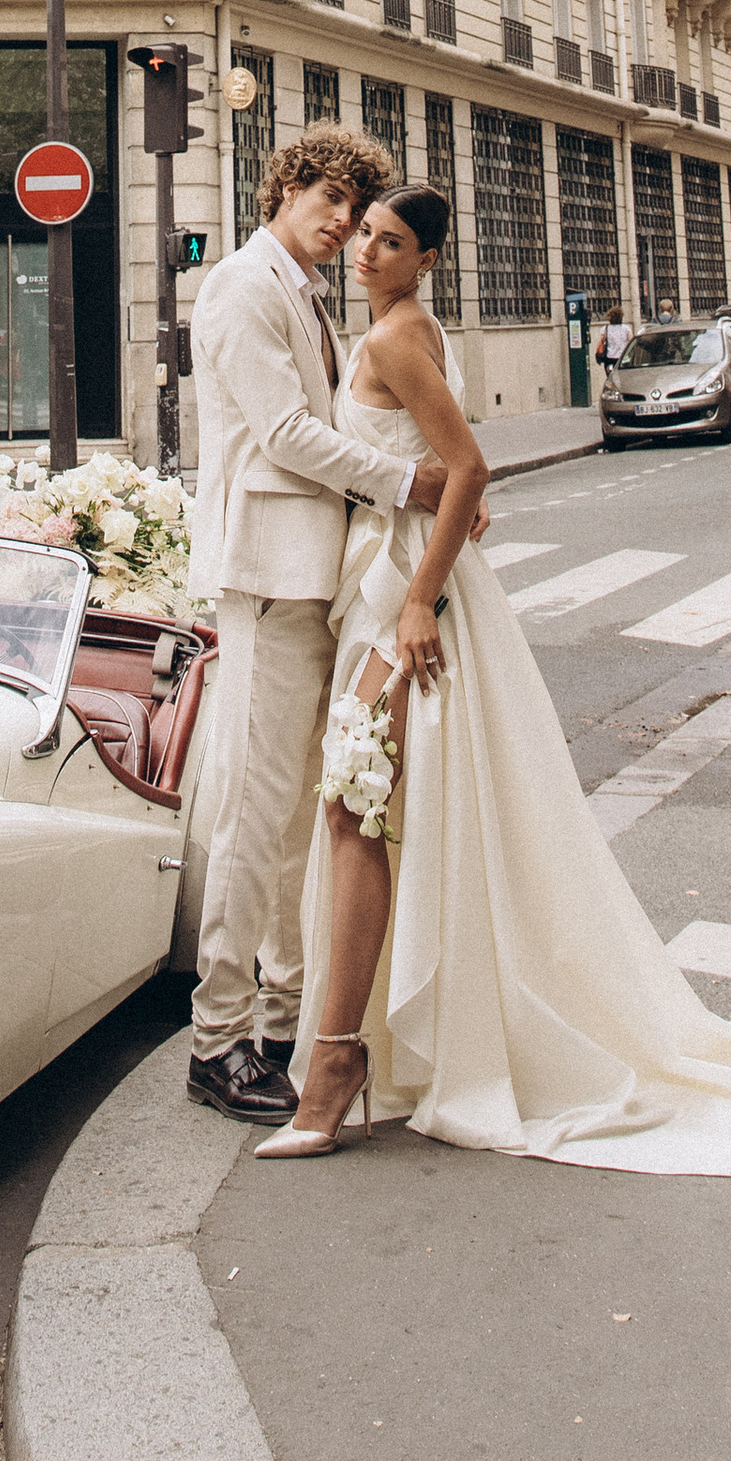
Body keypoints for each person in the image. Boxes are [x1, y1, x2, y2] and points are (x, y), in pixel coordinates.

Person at [256, 185, 731, 1183]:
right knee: (382, 814)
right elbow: (442, 475)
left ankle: (335, 1074)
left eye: (389, 241)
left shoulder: (397, 339)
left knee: (357, 814)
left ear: (424, 261)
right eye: (363, 232)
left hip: (404, 594)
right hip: (391, 584)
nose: (366, 249)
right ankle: (358, 1053)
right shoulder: (402, 330)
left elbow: (469, 469)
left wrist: (418, 602)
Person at [182, 126, 465, 1124]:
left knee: (307, 810)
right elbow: (284, 433)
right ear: (287, 187)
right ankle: (216, 1041)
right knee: (255, 812)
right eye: (329, 199)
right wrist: (408, 482)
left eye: (357, 209)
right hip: (264, 574)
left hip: (319, 580)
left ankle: (280, 1015)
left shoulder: (304, 292)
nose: (342, 221)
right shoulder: (241, 289)